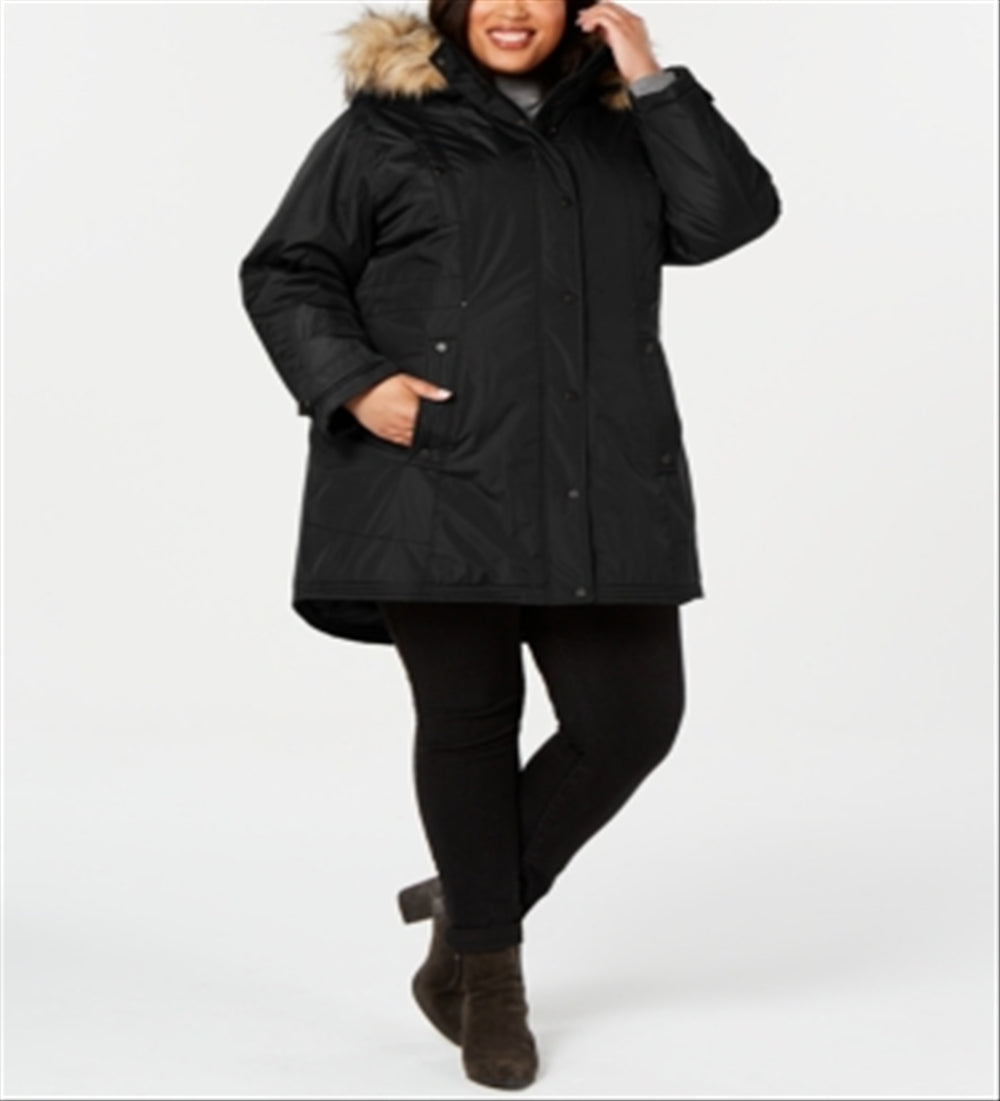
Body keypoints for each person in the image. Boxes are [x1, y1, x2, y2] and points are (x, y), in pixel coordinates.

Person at [239, 0, 780, 1088]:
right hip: (437, 475)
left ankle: (472, 902)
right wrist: (356, 383)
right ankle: (487, 980)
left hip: (597, 476)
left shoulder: (625, 124)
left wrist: (652, 77)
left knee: (630, 720)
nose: (513, 7)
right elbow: (287, 267)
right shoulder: (387, 124)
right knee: (469, 721)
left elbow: (725, 218)